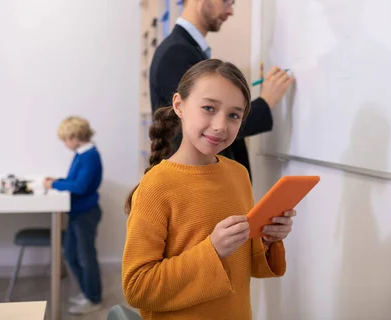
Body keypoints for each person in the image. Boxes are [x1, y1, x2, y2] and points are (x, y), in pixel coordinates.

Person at [122, 59, 297, 319]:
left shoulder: (238, 174)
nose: (220, 126)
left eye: (234, 115)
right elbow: (138, 287)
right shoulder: (156, 187)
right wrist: (212, 250)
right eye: (208, 108)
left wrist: (268, 239)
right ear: (179, 105)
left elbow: (243, 263)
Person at [149, 0, 294, 177]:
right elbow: (206, 126)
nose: (230, 10)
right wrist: (266, 101)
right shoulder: (178, 52)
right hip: (193, 183)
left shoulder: (188, 49)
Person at [43, 116, 103, 315]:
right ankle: (88, 292)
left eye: (65, 139)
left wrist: (54, 184)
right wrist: (59, 180)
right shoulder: (81, 154)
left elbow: (80, 186)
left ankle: (93, 298)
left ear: (76, 136)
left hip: (86, 213)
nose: (64, 143)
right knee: (70, 254)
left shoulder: (89, 156)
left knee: (86, 257)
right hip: (78, 213)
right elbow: (74, 180)